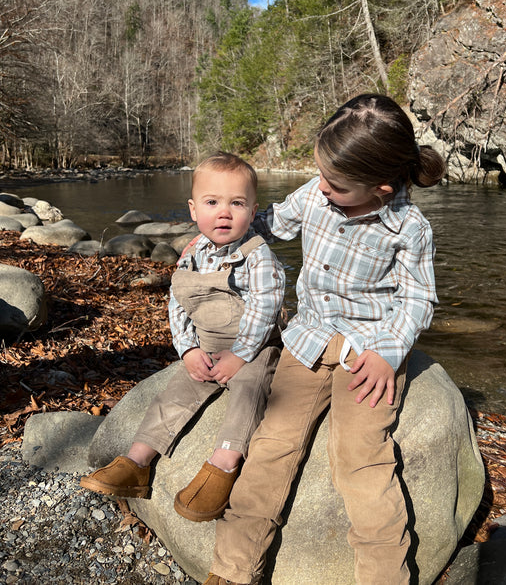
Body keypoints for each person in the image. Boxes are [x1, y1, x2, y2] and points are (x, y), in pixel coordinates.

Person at [203, 94, 446, 585]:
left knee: (361, 462)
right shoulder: (316, 195)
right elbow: (270, 224)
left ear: (379, 187)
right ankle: (231, 572)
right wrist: (222, 233)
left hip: (368, 352)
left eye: (334, 184)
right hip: (308, 340)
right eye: (320, 175)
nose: (321, 187)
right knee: (271, 447)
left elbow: (418, 300)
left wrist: (389, 353)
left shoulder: (409, 228)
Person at [80, 152, 286, 523]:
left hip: (253, 348)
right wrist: (188, 349)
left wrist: (240, 355)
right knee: (174, 392)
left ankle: (223, 464)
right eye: (212, 202)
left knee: (249, 391)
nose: (224, 212)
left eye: (236, 203)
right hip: (206, 343)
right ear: (193, 210)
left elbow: (265, 311)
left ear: (253, 212)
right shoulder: (192, 254)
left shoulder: (259, 257)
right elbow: (178, 303)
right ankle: (138, 461)